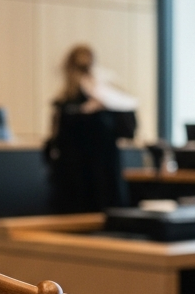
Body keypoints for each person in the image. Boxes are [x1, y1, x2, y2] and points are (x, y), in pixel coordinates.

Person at [45, 45, 138, 213]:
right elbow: (129, 130)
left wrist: (105, 101)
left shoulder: (74, 104)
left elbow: (57, 143)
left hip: (78, 185)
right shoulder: (71, 105)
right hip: (101, 183)